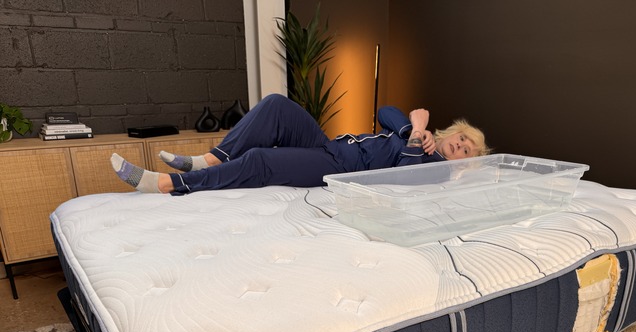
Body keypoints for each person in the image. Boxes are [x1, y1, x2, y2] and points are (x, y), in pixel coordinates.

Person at [111, 93, 490, 195]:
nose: (461, 146)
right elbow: (384, 110)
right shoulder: (418, 135)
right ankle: (209, 159)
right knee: (276, 104)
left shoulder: (432, 172)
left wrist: (412, 136)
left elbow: (404, 179)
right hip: (330, 145)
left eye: (468, 151)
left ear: (464, 163)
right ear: (452, 132)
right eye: (462, 139)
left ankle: (168, 184)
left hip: (340, 171)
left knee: (260, 160)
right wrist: (416, 126)